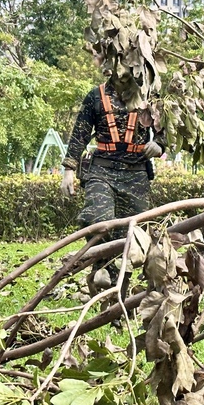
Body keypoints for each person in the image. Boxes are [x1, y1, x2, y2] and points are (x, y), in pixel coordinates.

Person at [61, 70, 164, 293]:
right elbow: (80, 133)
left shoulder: (150, 96)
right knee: (95, 219)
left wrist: (160, 144)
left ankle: (118, 292)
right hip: (102, 171)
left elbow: (167, 127)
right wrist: (69, 169)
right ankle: (102, 266)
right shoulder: (96, 96)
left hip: (136, 175)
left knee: (130, 235)